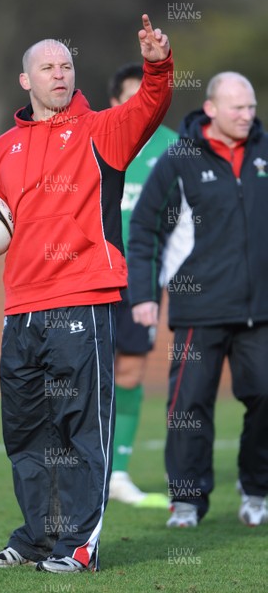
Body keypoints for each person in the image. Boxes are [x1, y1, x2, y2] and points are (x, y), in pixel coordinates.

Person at [0, 15, 173, 572]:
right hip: (21, 309)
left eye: (66, 65)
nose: (59, 74)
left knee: (78, 428)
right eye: (47, 67)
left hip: (82, 299)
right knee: (27, 433)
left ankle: (77, 544)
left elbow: (150, 103)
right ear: (26, 80)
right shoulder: (2, 149)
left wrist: (158, 64)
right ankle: (36, 539)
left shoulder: (104, 130)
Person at [128, 71, 268, 528]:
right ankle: (187, 501)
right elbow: (145, 226)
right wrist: (144, 294)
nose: (248, 116)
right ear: (211, 109)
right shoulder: (179, 158)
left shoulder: (265, 152)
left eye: (250, 108)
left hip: (260, 310)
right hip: (198, 310)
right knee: (189, 408)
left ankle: (257, 489)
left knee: (265, 396)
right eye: (237, 109)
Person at [108, 62, 176, 507]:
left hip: (143, 278)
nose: (143, 108)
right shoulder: (99, 138)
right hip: (91, 274)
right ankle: (75, 467)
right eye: (134, 99)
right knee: (78, 373)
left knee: (131, 371)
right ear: (115, 103)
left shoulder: (176, 148)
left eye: (150, 98)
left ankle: (117, 473)